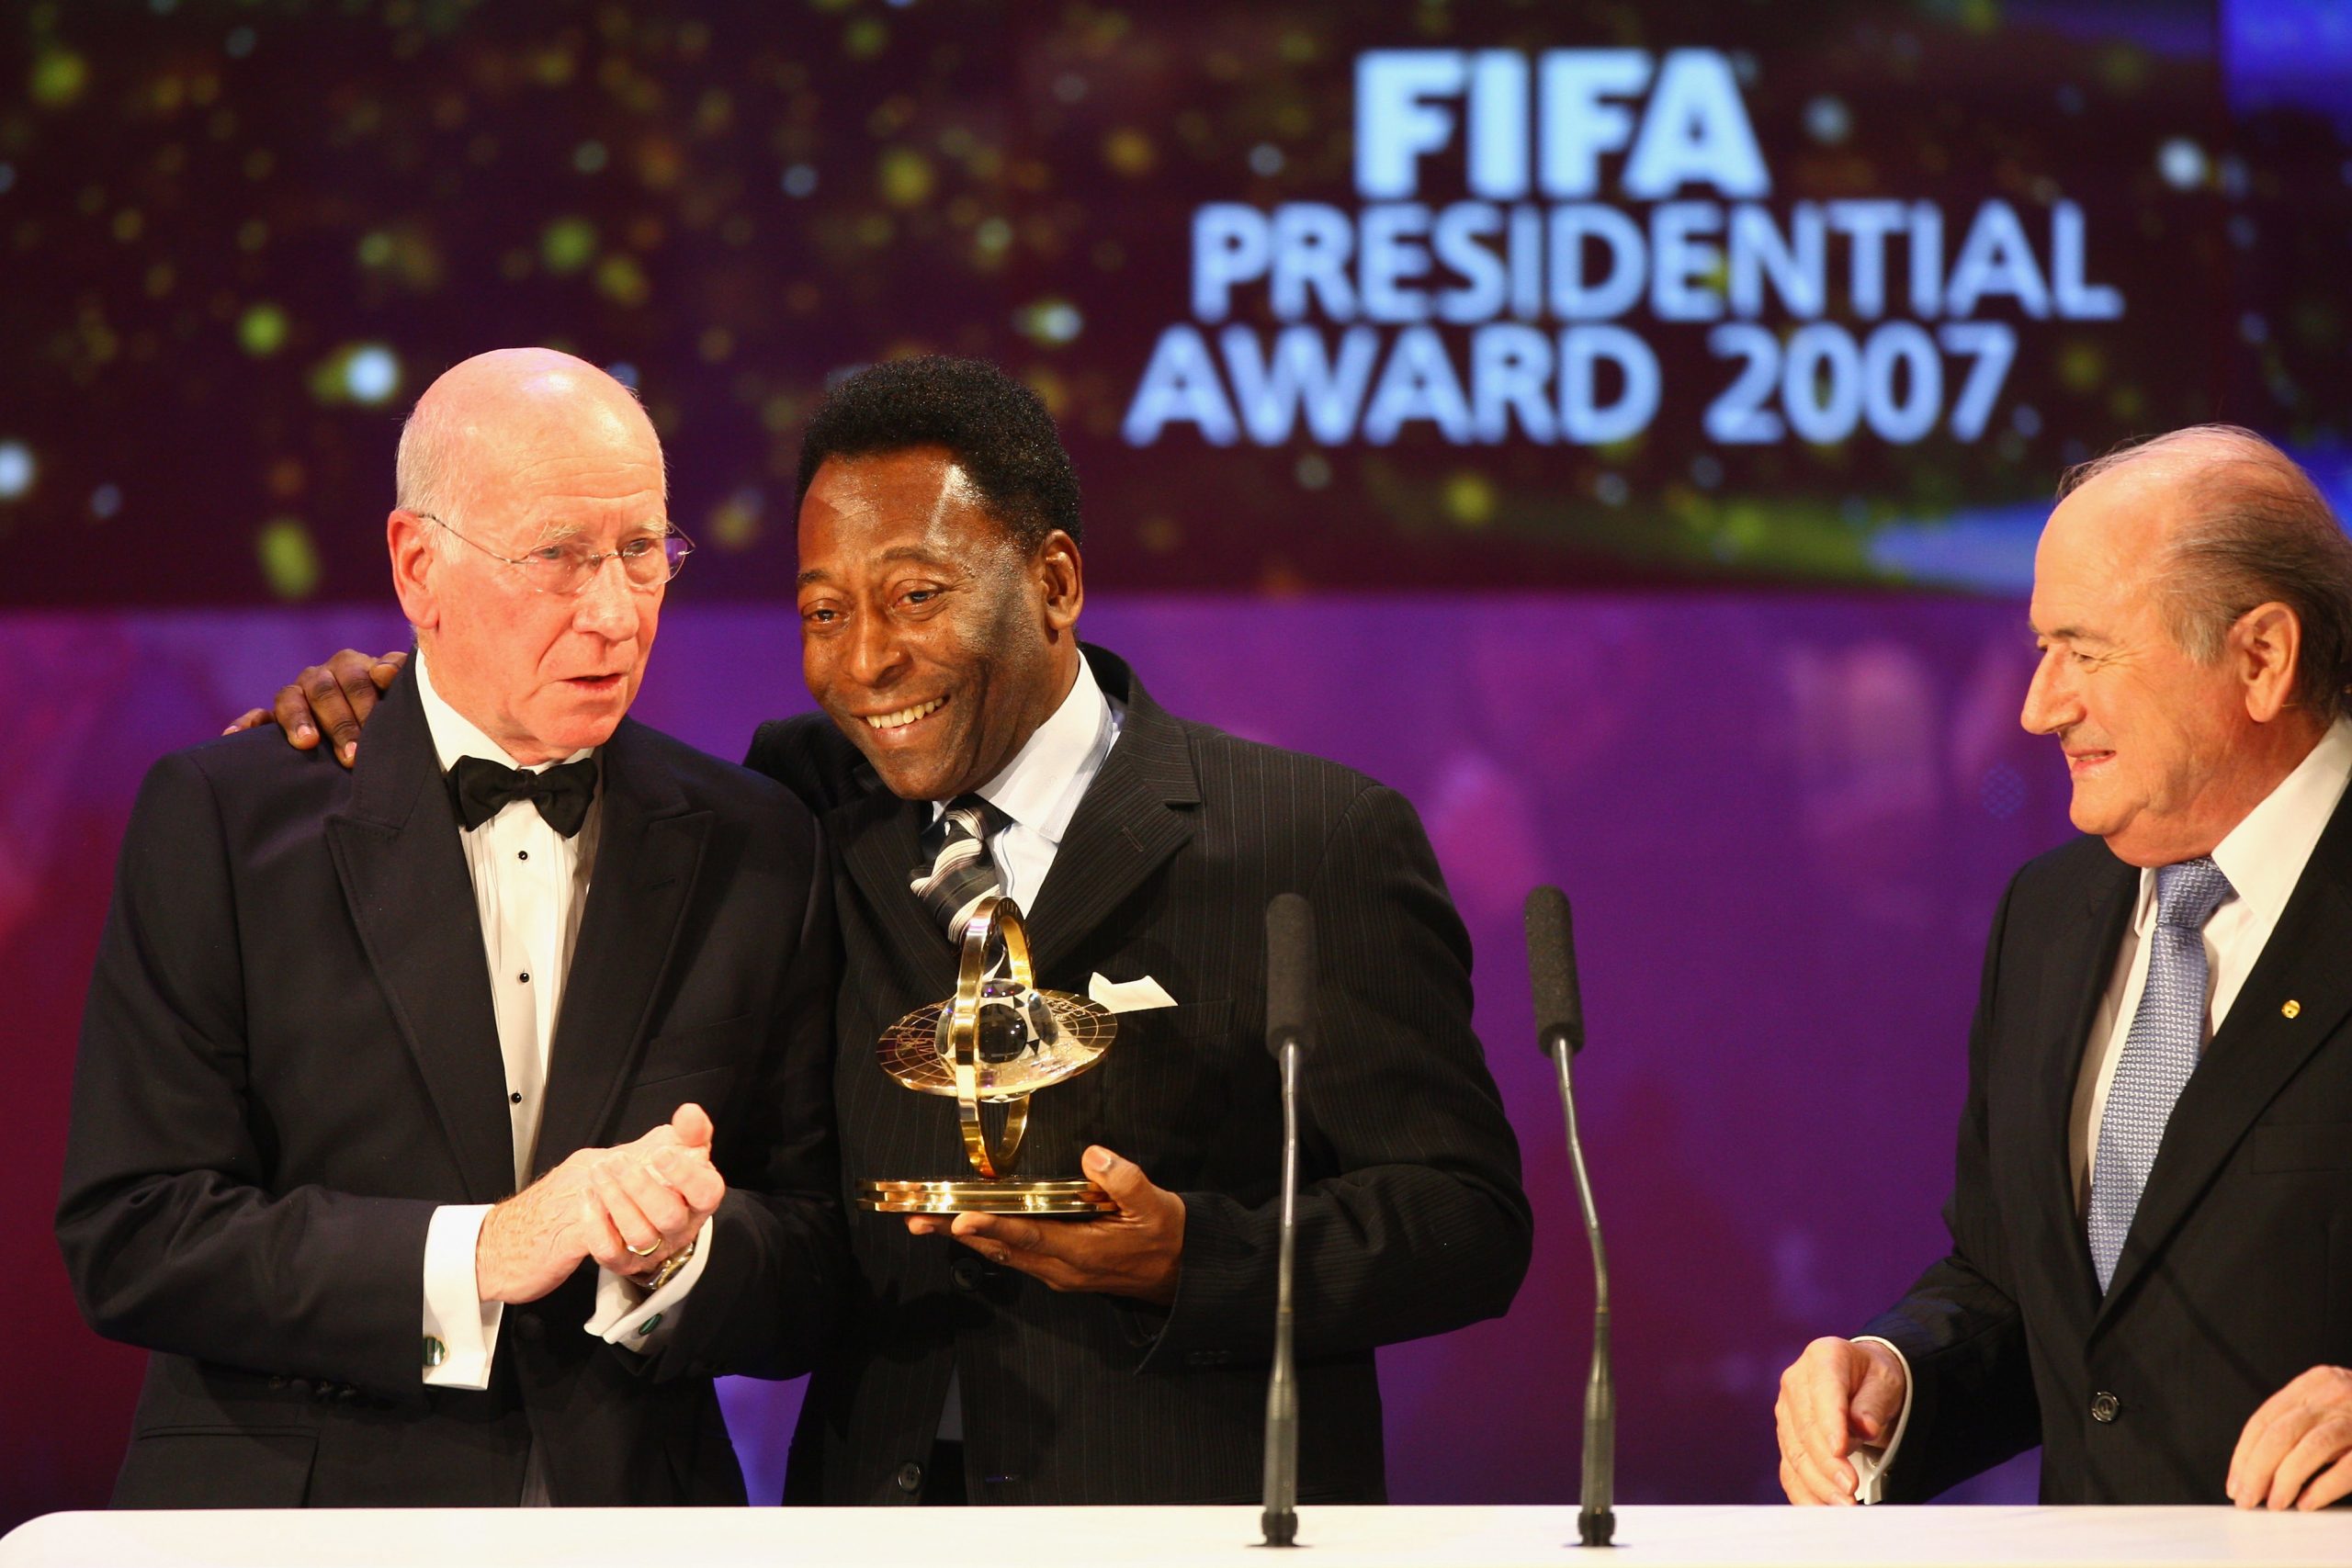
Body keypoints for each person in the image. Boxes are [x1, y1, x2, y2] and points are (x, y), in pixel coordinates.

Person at [253, 354, 1532, 1506]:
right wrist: (411, 705)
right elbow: (566, 758)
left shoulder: (1309, 835)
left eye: (917, 595)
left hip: (1196, 1515)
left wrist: (1195, 1253)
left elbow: (1466, 1219)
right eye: (822, 611)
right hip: (879, 1518)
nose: (867, 660)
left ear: (1054, 580)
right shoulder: (800, 803)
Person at [61, 348, 843, 1507]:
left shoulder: (759, 843)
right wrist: (481, 1253)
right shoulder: (224, 819)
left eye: (642, 551)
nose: (616, 613)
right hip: (296, 1516)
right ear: (418, 566)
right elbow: (134, 1234)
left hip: (635, 1520)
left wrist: (674, 1257)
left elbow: (822, 1254)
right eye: (559, 558)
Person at [1773, 425, 2352, 1510]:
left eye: (2084, 652)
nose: (2041, 706)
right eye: (2041, 651)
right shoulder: (2050, 914)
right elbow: (2020, 1289)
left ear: (2262, 658)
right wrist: (1896, 1378)